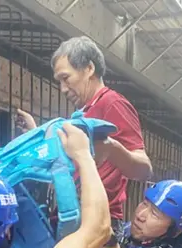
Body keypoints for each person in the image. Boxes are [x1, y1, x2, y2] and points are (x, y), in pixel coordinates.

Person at [12, 35, 153, 230]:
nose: (62, 88)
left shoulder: (113, 104)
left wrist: (111, 148)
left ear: (89, 68)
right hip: (73, 217)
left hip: (96, 222)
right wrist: (34, 132)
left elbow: (145, 169)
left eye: (65, 78)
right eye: (59, 81)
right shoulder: (85, 113)